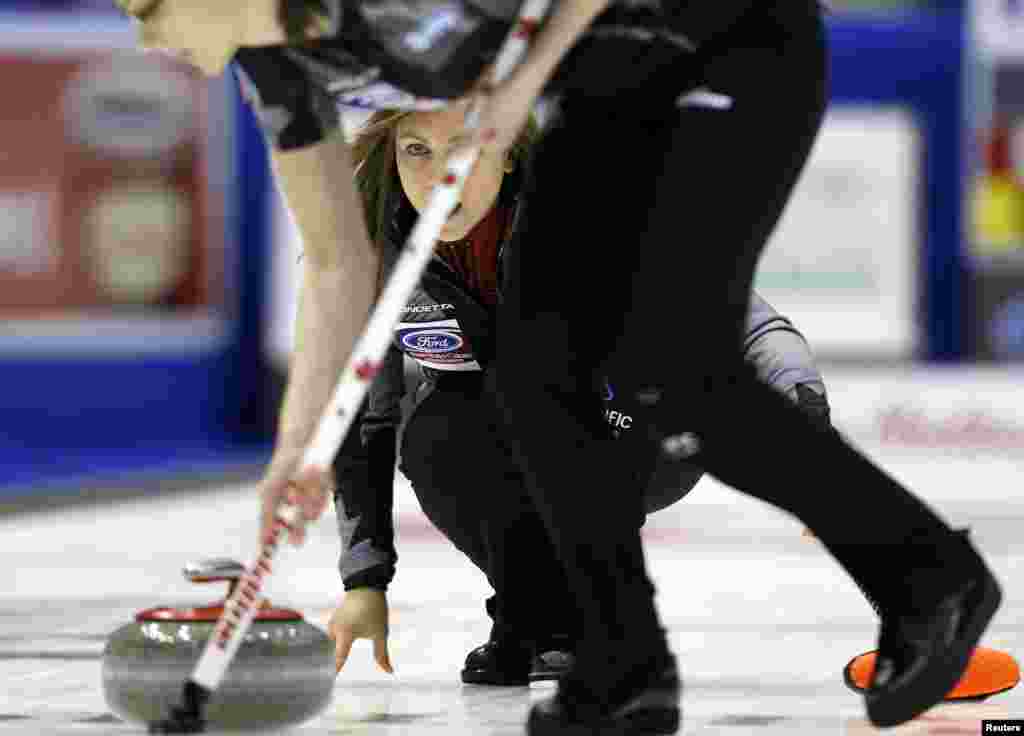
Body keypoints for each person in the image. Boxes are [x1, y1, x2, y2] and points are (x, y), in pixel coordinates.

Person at [116, 1, 1002, 733]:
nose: (146, 34)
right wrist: (292, 456)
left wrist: (522, 88)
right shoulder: (278, 73)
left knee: (680, 367)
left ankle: (933, 580)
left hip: (724, 40)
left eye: (147, 7)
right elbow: (339, 266)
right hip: (600, 84)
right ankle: (623, 664)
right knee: (537, 369)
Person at [325, 105, 833, 686]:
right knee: (441, 425)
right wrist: (364, 581)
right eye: (417, 150)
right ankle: (541, 620)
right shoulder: (367, 256)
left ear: (507, 149)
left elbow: (745, 321)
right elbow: (363, 418)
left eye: (464, 149)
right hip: (499, 429)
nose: (442, 176)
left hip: (639, 428)